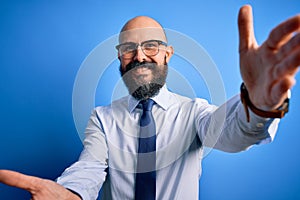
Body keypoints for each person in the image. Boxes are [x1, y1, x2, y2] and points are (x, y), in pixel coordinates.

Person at [0, 4, 299, 200]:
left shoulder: (194, 113)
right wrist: (71, 194)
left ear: (167, 54)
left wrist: (257, 103)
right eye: (129, 48)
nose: (140, 56)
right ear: (119, 57)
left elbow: (233, 133)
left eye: (151, 46)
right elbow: (90, 167)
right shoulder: (102, 118)